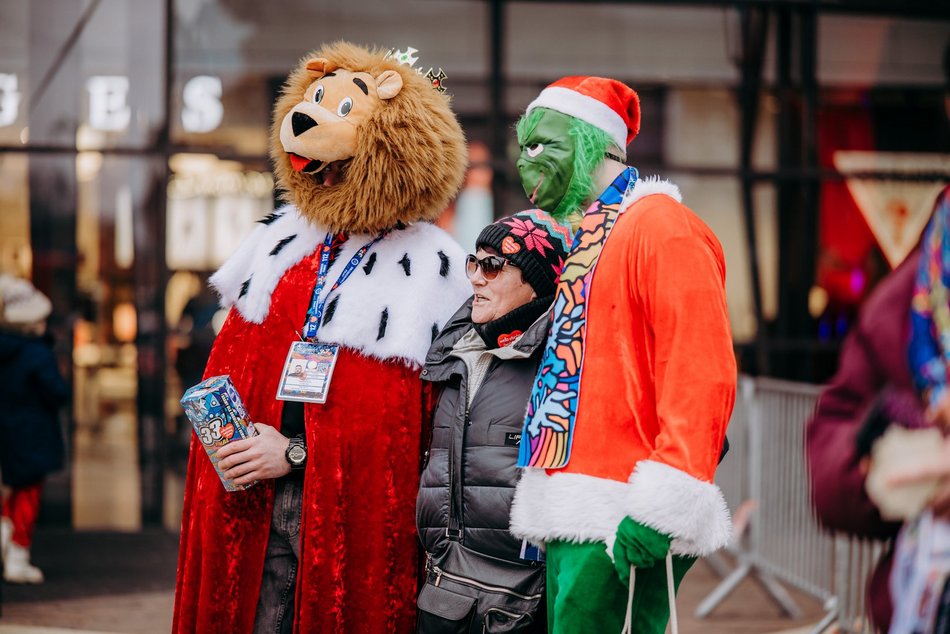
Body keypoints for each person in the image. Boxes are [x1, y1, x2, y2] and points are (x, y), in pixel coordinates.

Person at [172, 42, 470, 633]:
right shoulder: (282, 242)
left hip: (346, 515)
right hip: (251, 501)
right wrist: (227, 437)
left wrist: (295, 453)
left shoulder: (436, 270)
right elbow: (233, 363)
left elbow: (414, 432)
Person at [508, 77, 736, 633]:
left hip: (621, 511)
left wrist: (664, 503)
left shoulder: (661, 228)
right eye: (523, 146)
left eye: (541, 145)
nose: (524, 162)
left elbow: (700, 367)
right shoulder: (592, 235)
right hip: (574, 503)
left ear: (590, 141)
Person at [416, 209, 573, 632]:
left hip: (529, 598)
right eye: (474, 262)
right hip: (444, 586)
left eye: (493, 265)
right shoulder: (453, 351)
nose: (476, 278)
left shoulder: (567, 362)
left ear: (537, 281)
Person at [0, 274, 68, 584]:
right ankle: (18, 555)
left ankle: (5, 541)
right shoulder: (37, 354)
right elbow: (56, 392)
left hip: (8, 433)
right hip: (33, 434)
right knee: (28, 496)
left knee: (10, 491)